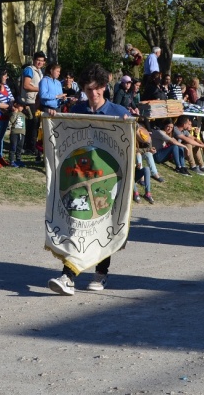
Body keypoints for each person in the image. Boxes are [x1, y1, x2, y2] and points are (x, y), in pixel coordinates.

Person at [48, 63, 130, 296]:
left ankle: (101, 273)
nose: (93, 93)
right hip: (79, 178)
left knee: (103, 225)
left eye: (97, 88)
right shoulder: (77, 110)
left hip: (109, 179)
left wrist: (133, 127)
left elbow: (133, 142)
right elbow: (62, 130)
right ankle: (68, 276)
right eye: (88, 89)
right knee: (77, 225)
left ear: (104, 87)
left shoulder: (118, 112)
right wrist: (55, 118)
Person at [21, 52, 46, 156]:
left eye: (42, 60)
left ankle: (31, 146)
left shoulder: (39, 71)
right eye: (38, 60)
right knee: (32, 125)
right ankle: (30, 147)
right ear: (33, 60)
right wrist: (41, 89)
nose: (40, 62)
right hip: (29, 101)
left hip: (37, 102)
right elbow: (26, 85)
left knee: (35, 125)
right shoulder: (29, 70)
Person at [7, 101, 30, 168]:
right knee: (13, 146)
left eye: (23, 106)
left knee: (20, 147)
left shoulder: (23, 114)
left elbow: (30, 117)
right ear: (17, 106)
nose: (21, 108)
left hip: (22, 133)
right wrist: (15, 113)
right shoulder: (13, 113)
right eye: (20, 106)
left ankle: (18, 160)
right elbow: (11, 121)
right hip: (14, 133)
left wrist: (28, 109)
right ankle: (11, 161)